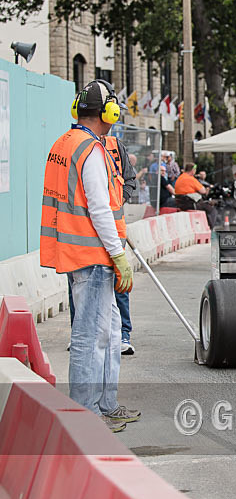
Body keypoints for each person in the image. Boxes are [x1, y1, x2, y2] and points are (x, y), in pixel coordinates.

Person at [41, 79, 139, 432]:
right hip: (92, 254)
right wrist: (118, 254)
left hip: (81, 251)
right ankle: (86, 413)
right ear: (107, 112)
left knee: (110, 332)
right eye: (114, 112)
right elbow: (99, 207)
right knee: (89, 336)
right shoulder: (91, 149)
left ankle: (105, 405)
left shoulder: (64, 143)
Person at [101, 134, 138, 355]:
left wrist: (117, 201)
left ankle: (123, 333)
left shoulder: (116, 146)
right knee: (78, 285)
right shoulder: (78, 146)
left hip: (115, 229)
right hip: (85, 233)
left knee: (119, 282)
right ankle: (79, 331)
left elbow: (130, 180)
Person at [174, 163, 218, 227]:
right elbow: (203, 191)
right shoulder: (191, 179)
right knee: (211, 210)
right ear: (193, 170)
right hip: (191, 204)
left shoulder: (179, 178)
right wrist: (207, 189)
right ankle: (210, 228)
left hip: (181, 203)